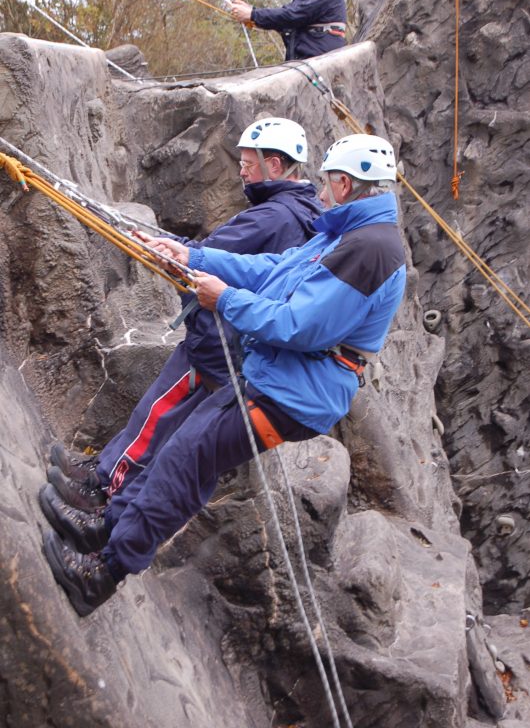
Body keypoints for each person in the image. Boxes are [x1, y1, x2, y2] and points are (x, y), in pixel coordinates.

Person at [41, 133, 406, 617]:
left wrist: (225, 298)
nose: (320, 193)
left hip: (292, 393)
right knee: (181, 454)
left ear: (344, 183)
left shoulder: (370, 248)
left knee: (185, 460)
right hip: (278, 379)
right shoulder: (350, 235)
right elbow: (275, 270)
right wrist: (194, 258)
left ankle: (104, 572)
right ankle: (107, 531)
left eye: (326, 183)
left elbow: (300, 325)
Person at [40, 116, 320, 515]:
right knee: (161, 420)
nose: (241, 170)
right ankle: (105, 470)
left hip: (220, 340)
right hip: (241, 344)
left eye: (248, 162)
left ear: (275, 165)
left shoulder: (272, 217)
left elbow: (209, 256)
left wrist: (163, 245)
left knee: (158, 418)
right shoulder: (307, 211)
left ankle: (103, 488)